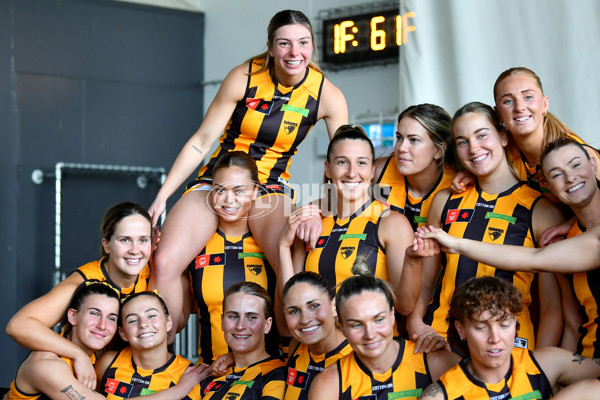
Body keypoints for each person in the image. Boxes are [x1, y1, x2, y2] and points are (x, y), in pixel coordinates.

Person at [149, 9, 348, 333]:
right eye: (284, 43)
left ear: (313, 46)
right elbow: (201, 141)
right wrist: (162, 196)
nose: (294, 52)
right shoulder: (244, 76)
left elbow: (346, 156)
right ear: (270, 47)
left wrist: (319, 207)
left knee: (292, 259)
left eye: (303, 43)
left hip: (269, 186)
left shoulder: (327, 94)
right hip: (219, 180)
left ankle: (293, 350)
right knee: (165, 262)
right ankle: (162, 349)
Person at [416, 137, 600, 357]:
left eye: (576, 164)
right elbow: (573, 322)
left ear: (595, 165)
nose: (570, 177)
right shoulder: (566, 237)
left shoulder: (567, 233)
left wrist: (457, 244)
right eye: (557, 174)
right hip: (589, 362)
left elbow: (536, 259)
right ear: (548, 186)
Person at [408, 102, 565, 352]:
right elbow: (426, 283)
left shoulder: (541, 210)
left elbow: (551, 310)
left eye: (482, 135)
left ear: (503, 137)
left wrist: (537, 370)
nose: (473, 148)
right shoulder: (444, 201)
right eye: (462, 141)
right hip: (442, 341)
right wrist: (417, 323)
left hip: (509, 348)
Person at [280, 125, 430, 318]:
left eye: (361, 163)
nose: (352, 173)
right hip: (316, 344)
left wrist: (413, 261)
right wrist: (283, 246)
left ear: (372, 169)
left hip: (369, 345)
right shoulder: (312, 220)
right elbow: (290, 304)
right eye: (342, 162)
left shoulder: (393, 224)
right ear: (328, 168)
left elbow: (405, 306)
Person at [6, 202, 153, 389]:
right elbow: (18, 325)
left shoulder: (157, 270)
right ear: (107, 245)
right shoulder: (83, 282)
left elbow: (173, 326)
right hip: (79, 376)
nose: (135, 249)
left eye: (143, 240)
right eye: (125, 240)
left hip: (121, 375)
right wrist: (78, 354)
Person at [452, 67, 600, 244]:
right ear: (498, 112)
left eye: (528, 97)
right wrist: (473, 174)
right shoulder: (505, 149)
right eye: (508, 101)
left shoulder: (575, 154)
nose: (520, 107)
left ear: (545, 104)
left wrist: (571, 223)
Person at [419, 277, 600, 400]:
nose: (495, 338)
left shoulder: (545, 363)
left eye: (504, 325)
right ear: (461, 330)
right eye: (481, 327)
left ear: (515, 323)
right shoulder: (439, 395)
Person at [307, 263, 460, 400]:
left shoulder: (438, 363)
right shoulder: (328, 384)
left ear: (392, 315)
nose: (370, 334)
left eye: (378, 320)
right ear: (341, 327)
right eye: (356, 325)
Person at [181, 151, 279, 362]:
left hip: (265, 379)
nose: (229, 199)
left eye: (239, 190)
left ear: (255, 192)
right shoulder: (194, 246)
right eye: (220, 190)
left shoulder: (271, 245)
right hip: (209, 377)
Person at [6, 282, 119, 400]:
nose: (102, 326)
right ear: (73, 316)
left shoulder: (98, 354)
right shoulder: (47, 364)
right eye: (94, 313)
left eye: (111, 318)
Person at [96, 291, 210, 400]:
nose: (143, 324)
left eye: (151, 316)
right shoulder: (108, 363)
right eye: (132, 320)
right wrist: (176, 392)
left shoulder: (191, 376)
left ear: (168, 322)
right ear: (122, 333)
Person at [374, 104, 460, 231]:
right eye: (399, 138)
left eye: (413, 140)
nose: (401, 148)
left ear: (438, 150)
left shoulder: (457, 183)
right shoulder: (379, 170)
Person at [199, 282, 287, 400]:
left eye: (252, 317)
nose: (240, 326)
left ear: (267, 324)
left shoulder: (278, 374)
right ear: (222, 322)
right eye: (233, 316)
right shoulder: (212, 372)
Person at [282, 272, 353, 400]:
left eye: (314, 306)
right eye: (293, 311)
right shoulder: (295, 346)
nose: (305, 319)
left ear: (334, 306)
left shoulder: (357, 355)